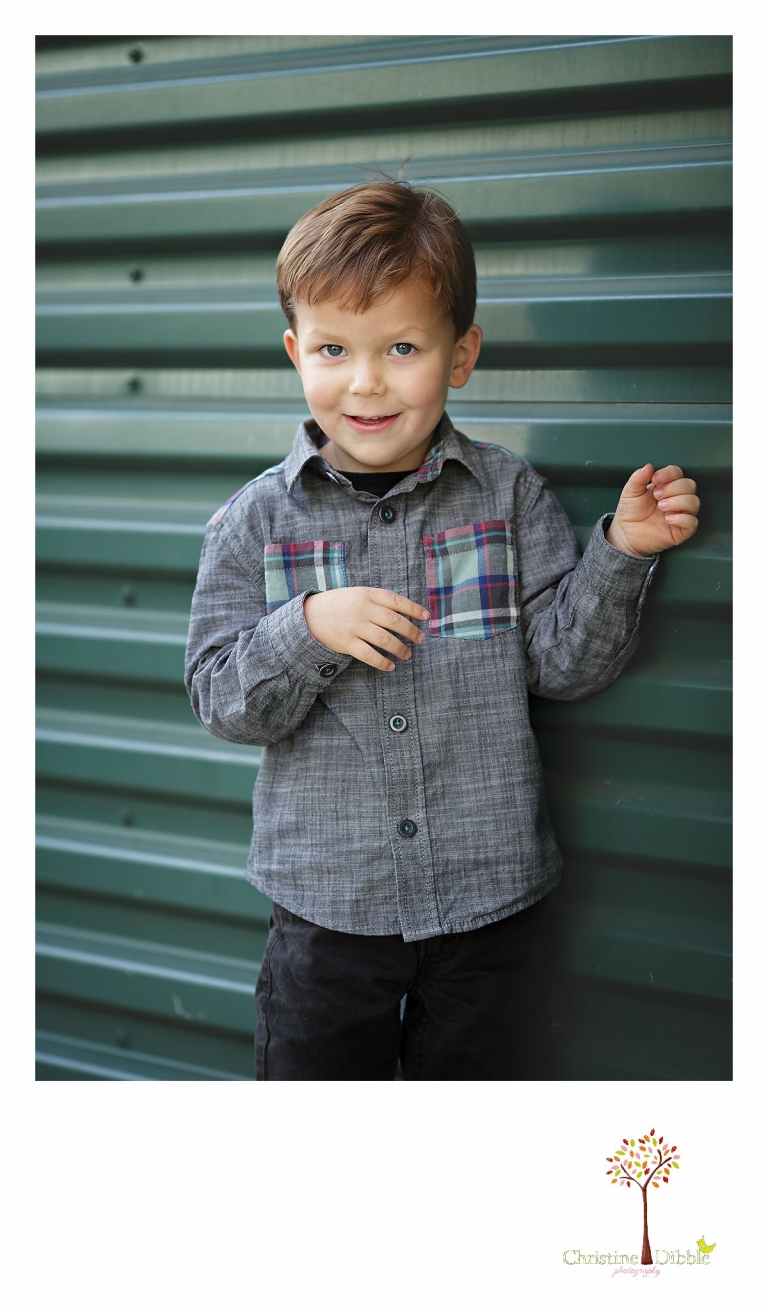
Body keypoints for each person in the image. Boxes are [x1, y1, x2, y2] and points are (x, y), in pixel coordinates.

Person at [184, 181, 700, 1081]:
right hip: (326, 915)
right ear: (295, 351)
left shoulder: (507, 496)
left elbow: (562, 664)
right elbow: (221, 698)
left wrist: (620, 551)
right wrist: (306, 629)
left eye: (403, 347)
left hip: (487, 908)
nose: (367, 381)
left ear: (461, 356)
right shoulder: (253, 523)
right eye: (335, 348)